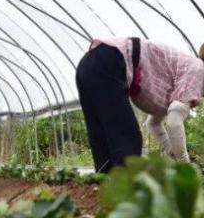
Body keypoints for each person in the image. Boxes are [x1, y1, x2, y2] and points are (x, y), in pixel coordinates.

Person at [76, 37, 204, 173]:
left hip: (89, 64)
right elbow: (174, 123)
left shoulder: (183, 70)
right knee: (128, 144)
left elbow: (153, 124)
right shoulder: (199, 70)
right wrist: (185, 166)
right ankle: (121, 190)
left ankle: (104, 187)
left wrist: (170, 150)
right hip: (110, 61)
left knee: (104, 147)